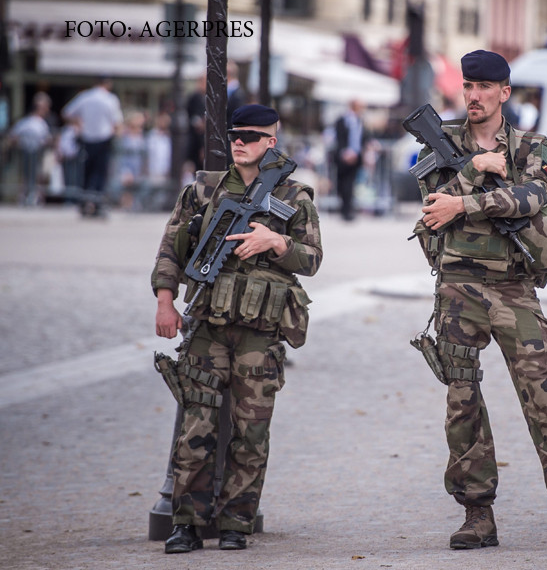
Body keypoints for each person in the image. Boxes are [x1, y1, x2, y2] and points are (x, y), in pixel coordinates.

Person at [413, 49, 547, 552]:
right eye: (468, 86)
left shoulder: (531, 145)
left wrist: (468, 202)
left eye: (484, 87)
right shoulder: (439, 144)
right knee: (462, 404)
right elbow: (434, 207)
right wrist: (474, 172)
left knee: (545, 399)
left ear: (504, 91)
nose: (474, 95)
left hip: (514, 290)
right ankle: (477, 515)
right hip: (458, 288)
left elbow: (532, 198)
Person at [152, 104, 323, 554]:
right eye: (235, 135)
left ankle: (236, 523)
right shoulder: (204, 190)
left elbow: (313, 259)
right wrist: (165, 302)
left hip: (260, 331)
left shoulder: (294, 193)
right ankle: (186, 523)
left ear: (272, 140)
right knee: (197, 425)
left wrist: (277, 241)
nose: (239, 141)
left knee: (251, 431)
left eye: (251, 134)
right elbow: (170, 247)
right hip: (207, 324)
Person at [62, 76, 123, 217]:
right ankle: (96, 204)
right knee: (100, 174)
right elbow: (117, 122)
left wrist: (80, 124)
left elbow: (67, 113)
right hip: (104, 139)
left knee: (87, 173)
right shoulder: (110, 99)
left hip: (87, 138)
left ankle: (84, 203)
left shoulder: (85, 96)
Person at [8, 92, 52, 206]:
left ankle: (34, 197)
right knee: (25, 176)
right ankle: (25, 197)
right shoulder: (27, 121)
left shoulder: (41, 123)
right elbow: (13, 135)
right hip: (25, 153)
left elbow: (46, 139)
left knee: (36, 176)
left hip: (37, 154)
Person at [331, 99, 369, 221]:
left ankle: (348, 209)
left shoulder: (359, 120)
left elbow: (363, 137)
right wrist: (345, 153)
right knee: (342, 184)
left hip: (356, 157)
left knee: (350, 184)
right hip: (343, 157)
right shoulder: (343, 120)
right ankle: (344, 209)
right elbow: (339, 138)